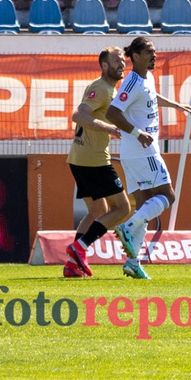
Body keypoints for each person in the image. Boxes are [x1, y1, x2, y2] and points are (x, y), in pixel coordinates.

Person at [92, 37, 190, 282]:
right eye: (149, 51)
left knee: (145, 202)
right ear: (135, 56)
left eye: (154, 51)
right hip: (141, 148)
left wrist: (175, 105)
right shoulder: (133, 81)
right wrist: (137, 132)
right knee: (168, 195)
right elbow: (113, 112)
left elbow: (152, 97)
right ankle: (126, 227)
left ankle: (133, 263)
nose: (154, 55)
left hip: (134, 151)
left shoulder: (148, 77)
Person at [63, 48, 130, 280]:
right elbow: (78, 116)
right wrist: (109, 128)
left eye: (123, 60)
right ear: (104, 66)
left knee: (97, 211)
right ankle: (80, 247)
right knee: (122, 208)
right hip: (93, 160)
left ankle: (72, 265)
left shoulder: (108, 89)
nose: (121, 64)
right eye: (116, 61)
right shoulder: (102, 88)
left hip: (80, 159)